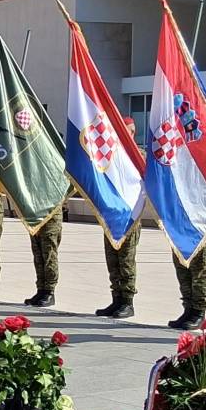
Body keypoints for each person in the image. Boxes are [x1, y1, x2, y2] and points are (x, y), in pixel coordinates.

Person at [95, 117, 140, 319]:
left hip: (129, 216)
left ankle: (127, 302)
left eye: (128, 131)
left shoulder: (139, 155)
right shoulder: (109, 155)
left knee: (126, 260)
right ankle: (116, 299)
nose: (125, 135)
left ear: (133, 132)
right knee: (112, 260)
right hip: (112, 217)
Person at [25, 208, 63, 308]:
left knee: (49, 256)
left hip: (51, 215)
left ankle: (49, 292)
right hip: (35, 215)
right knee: (38, 256)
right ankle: (41, 290)